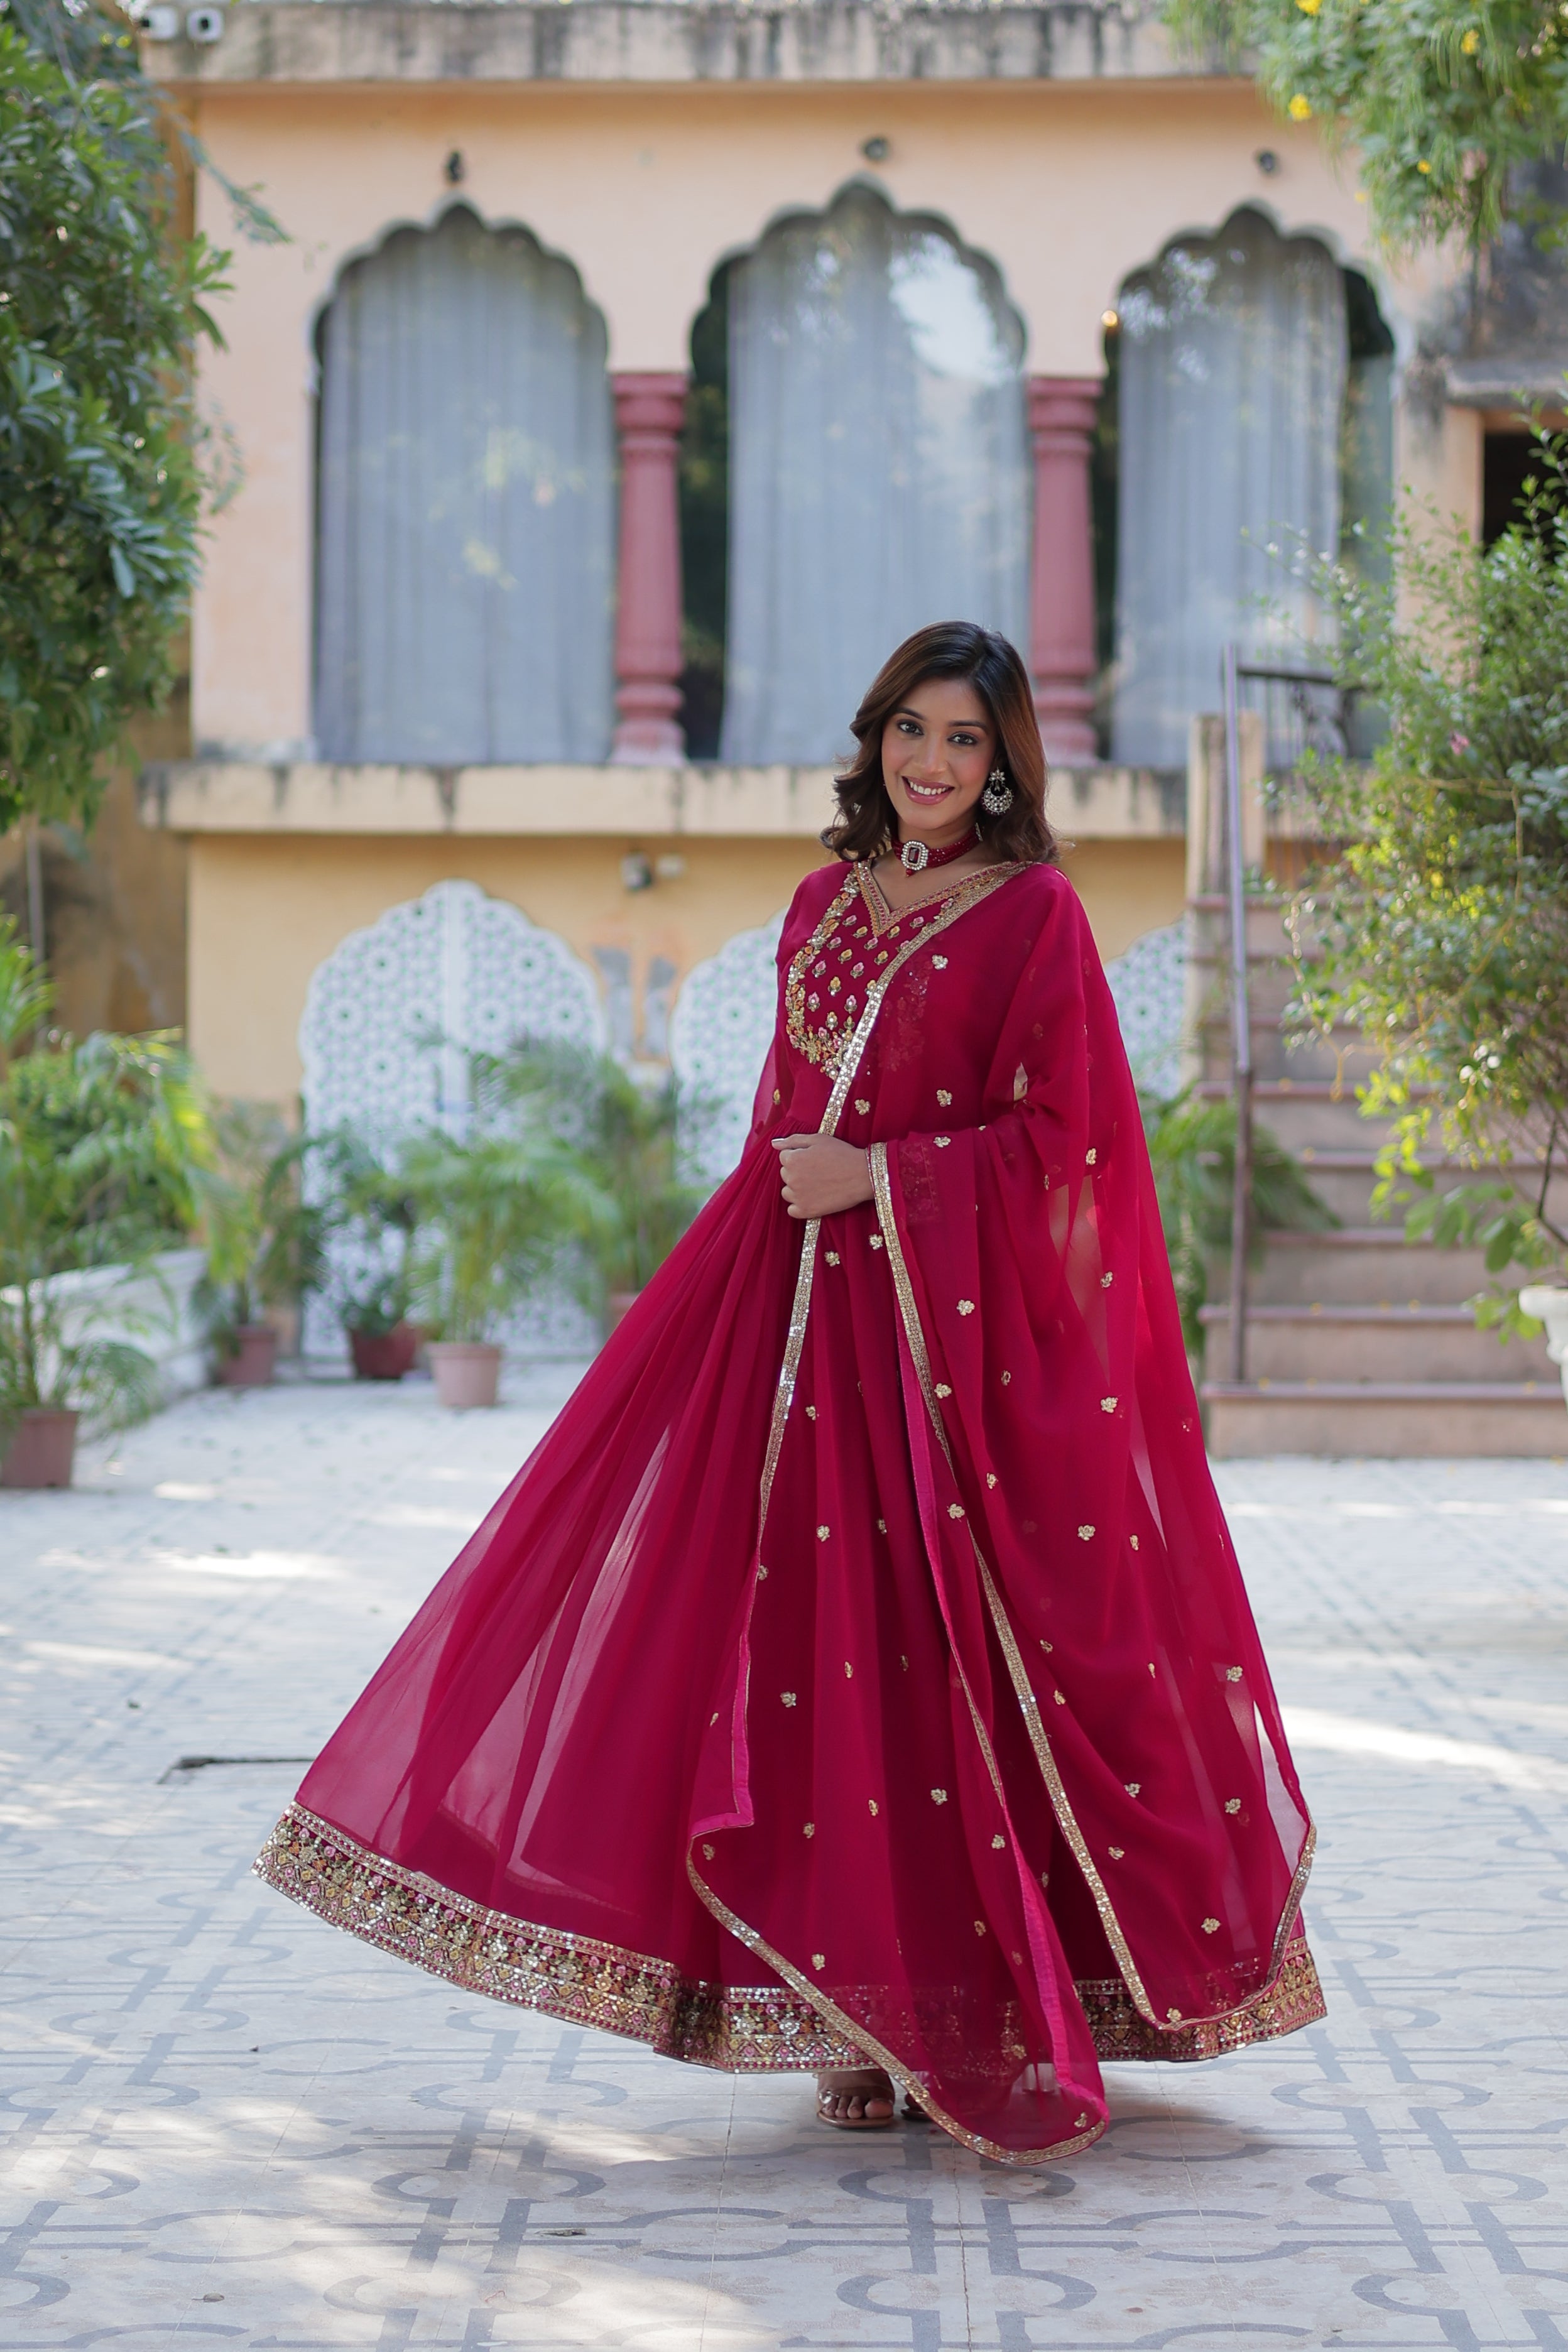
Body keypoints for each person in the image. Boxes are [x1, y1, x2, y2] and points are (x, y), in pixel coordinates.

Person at [257, 622, 1323, 2165]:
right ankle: (848, 2021)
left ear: (1005, 764)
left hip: (950, 1370)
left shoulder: (1035, 916)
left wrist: (885, 1180)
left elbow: (1070, 1142)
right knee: (815, 1665)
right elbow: (782, 1118)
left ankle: (973, 2009)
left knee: (946, 1666)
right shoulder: (823, 903)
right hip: (806, 1336)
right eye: (912, 729)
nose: (931, 762)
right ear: (876, 736)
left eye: (965, 739)